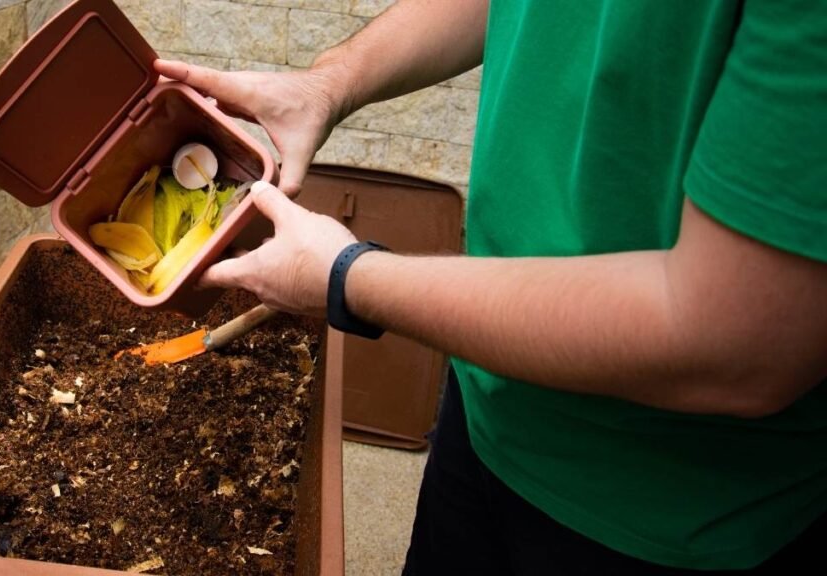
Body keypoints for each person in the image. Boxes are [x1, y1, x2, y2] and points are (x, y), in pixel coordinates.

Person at [156, 0, 827, 573]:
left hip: (667, 513)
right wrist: (328, 82)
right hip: (487, 406)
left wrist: (349, 277)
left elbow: (733, 345)